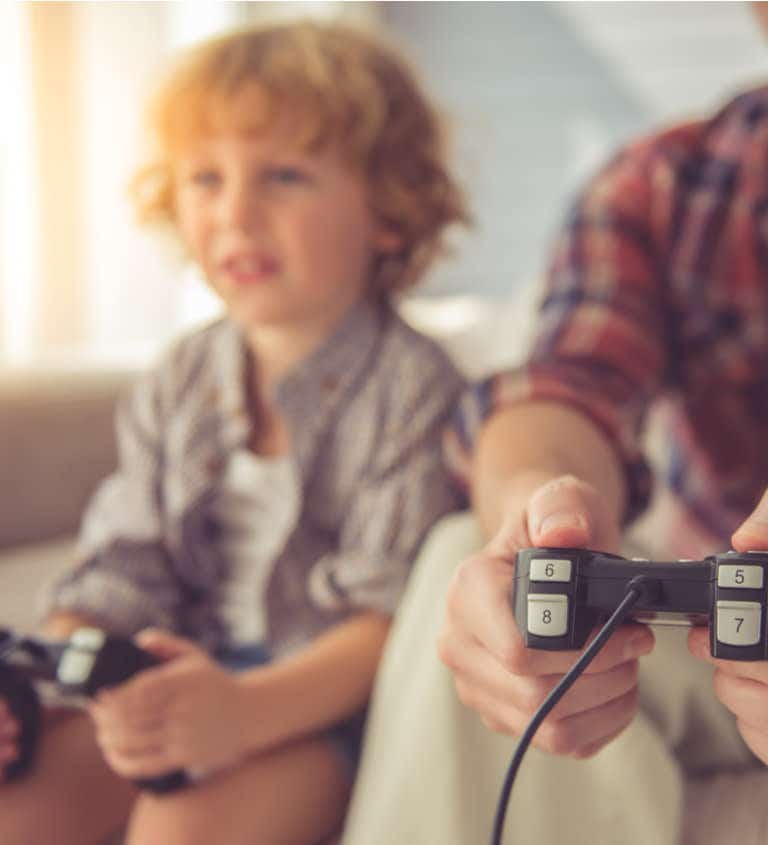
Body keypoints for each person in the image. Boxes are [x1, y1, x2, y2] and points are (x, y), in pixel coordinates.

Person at [0, 21, 469, 845]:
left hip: (318, 713)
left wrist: (242, 712)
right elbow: (119, 571)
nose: (236, 212)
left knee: (181, 831)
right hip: (173, 688)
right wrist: (52, 673)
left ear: (389, 211)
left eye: (284, 176)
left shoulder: (416, 388)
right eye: (206, 179)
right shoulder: (180, 375)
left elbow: (387, 619)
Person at [342, 30, 768, 845]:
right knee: (494, 579)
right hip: (725, 650)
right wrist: (541, 508)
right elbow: (567, 385)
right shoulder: (667, 185)